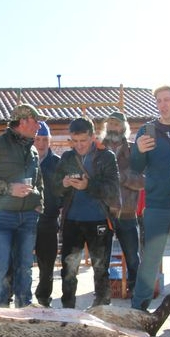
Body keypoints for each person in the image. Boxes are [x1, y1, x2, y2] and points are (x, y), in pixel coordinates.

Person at [0, 103, 44, 307]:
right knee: (0, 266)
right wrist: (8, 188)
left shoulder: (32, 150)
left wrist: (39, 204)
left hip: (28, 217)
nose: (39, 126)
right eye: (36, 121)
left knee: (25, 267)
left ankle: (24, 309)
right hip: (0, 216)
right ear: (23, 121)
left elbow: (39, 182)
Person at [130, 86, 170, 311]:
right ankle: (138, 310)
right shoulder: (148, 130)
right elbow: (136, 168)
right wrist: (138, 151)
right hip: (156, 206)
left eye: (167, 100)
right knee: (150, 261)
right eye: (159, 101)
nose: (162, 105)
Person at [54, 117, 121, 308]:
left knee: (100, 268)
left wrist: (88, 185)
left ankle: (102, 309)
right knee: (69, 269)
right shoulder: (67, 157)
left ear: (92, 137)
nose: (79, 145)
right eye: (74, 141)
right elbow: (55, 188)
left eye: (83, 140)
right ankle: (68, 312)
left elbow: (113, 190)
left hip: (99, 220)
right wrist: (63, 184)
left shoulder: (106, 157)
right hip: (71, 221)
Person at [101, 112, 144, 298]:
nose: (113, 127)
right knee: (101, 258)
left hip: (127, 212)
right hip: (102, 213)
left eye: (116, 124)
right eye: (110, 124)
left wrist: (122, 177)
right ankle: (102, 293)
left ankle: (136, 292)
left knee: (133, 258)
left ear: (124, 127)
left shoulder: (135, 150)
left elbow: (143, 181)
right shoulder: (98, 149)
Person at [33, 121, 62, 307]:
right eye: (37, 139)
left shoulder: (58, 163)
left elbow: (64, 191)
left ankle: (44, 298)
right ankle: (20, 297)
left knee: (47, 264)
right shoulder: (24, 161)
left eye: (45, 139)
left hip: (49, 220)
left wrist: (56, 206)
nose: (41, 143)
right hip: (25, 219)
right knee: (19, 262)